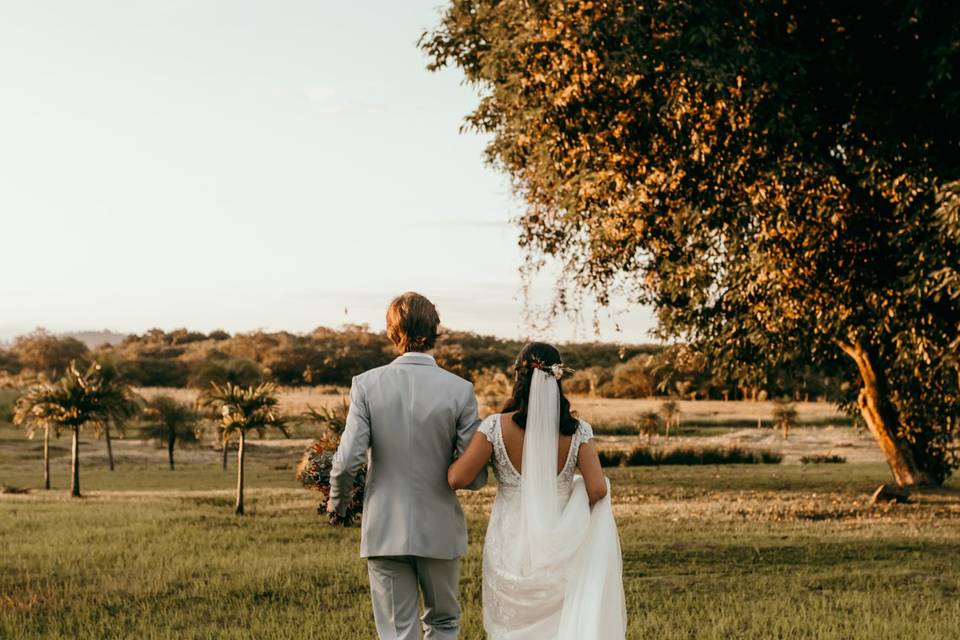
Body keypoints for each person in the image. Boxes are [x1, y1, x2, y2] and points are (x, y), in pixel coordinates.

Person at [328, 292, 487, 639]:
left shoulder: (366, 385)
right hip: (440, 528)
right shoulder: (460, 390)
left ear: (391, 330)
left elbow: (348, 460)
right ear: (435, 329)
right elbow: (472, 476)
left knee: (398, 632)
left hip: (384, 529)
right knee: (444, 623)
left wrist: (338, 504)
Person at [448, 342, 627, 639]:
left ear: (519, 376)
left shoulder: (494, 427)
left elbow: (458, 479)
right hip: (562, 541)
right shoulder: (578, 430)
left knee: (512, 625)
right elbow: (597, 488)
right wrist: (573, 493)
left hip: (510, 540)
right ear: (559, 379)